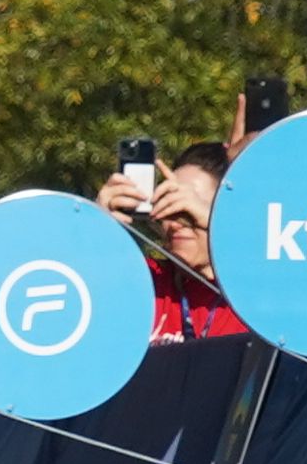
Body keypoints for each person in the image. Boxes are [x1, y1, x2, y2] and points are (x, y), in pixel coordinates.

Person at [96, 142, 245, 340]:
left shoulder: (252, 292)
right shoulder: (145, 281)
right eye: (168, 206)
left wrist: (217, 225)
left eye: (190, 211)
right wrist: (94, 230)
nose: (176, 223)